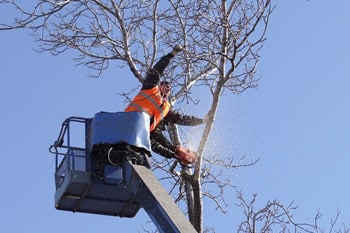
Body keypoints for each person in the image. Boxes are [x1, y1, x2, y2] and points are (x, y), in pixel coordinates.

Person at [125, 46, 207, 165]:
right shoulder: (150, 89)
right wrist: (170, 55)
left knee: (144, 161)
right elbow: (156, 71)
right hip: (127, 124)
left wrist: (201, 121)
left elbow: (180, 119)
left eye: (170, 89)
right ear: (159, 86)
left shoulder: (166, 108)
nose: (168, 89)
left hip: (139, 136)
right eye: (165, 86)